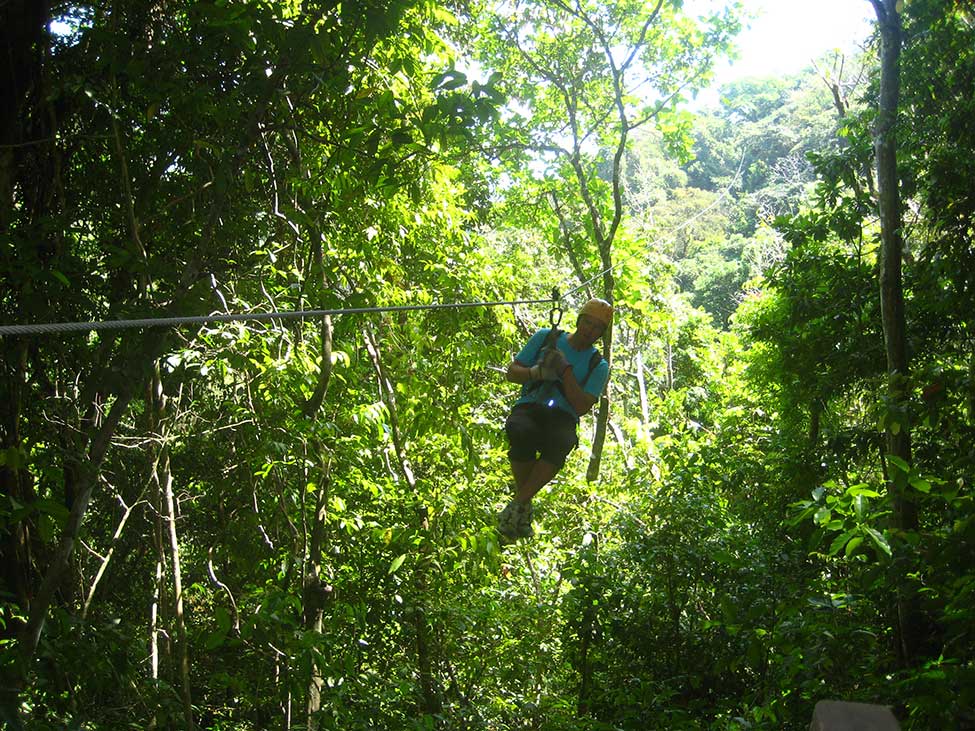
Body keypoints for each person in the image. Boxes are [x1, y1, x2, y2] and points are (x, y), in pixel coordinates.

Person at [498, 298, 613, 540]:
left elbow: (582, 406)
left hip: (563, 415)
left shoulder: (598, 365)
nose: (589, 330)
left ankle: (518, 503)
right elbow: (512, 373)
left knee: (561, 441)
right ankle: (523, 504)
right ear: (579, 320)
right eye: (587, 323)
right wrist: (536, 372)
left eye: (596, 328)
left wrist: (565, 370)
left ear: (601, 334)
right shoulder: (545, 338)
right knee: (520, 430)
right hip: (532, 403)